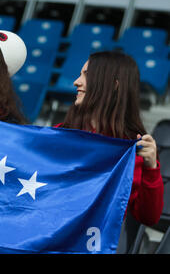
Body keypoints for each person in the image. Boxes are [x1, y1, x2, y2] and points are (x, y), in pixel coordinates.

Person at [57, 51, 164, 226]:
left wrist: (151, 168)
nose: (76, 82)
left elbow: (148, 217)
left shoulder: (132, 150)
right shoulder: (61, 132)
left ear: (114, 85)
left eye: (87, 75)